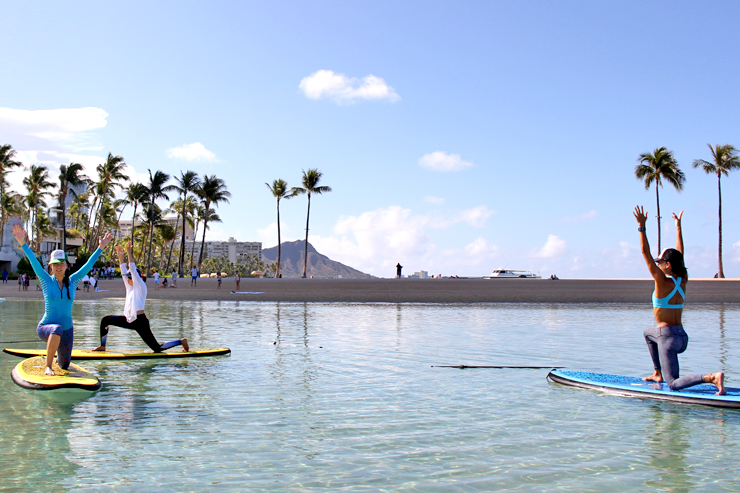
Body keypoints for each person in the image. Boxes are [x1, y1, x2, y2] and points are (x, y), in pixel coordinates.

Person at [634, 206, 725, 395]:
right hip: (682, 337)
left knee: (674, 383)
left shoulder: (661, 282)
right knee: (647, 333)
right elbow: (680, 256)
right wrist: (678, 227)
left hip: (666, 338)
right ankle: (657, 373)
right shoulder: (683, 280)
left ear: (667, 265)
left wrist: (642, 227)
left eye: (660, 262)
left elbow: (645, 253)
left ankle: (711, 377)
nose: (658, 264)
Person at [14, 224, 111, 376]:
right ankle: (48, 366)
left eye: (61, 264)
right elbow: (33, 261)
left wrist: (101, 247)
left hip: (67, 331)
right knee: (56, 328)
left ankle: (56, 355)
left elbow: (88, 265)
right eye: (55, 265)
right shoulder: (46, 280)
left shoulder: (73, 281)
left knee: (65, 365)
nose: (58, 267)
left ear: (66, 265)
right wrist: (23, 243)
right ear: (51, 267)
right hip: (46, 328)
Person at [93, 241, 189, 353]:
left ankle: (181, 342)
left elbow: (132, 270)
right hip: (128, 319)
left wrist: (129, 252)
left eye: (130, 277)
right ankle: (102, 346)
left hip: (140, 322)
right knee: (105, 320)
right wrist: (120, 257)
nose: (128, 279)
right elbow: (124, 272)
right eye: (128, 277)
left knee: (157, 348)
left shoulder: (140, 286)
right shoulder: (130, 287)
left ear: (136, 277)